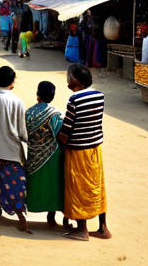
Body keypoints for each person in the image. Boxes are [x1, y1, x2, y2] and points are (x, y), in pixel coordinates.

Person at [59, 63, 111, 241]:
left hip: (78, 151)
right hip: (95, 149)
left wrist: (60, 141)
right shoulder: (99, 95)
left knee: (78, 187)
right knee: (97, 186)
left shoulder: (74, 100)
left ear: (74, 81)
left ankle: (82, 229)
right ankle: (103, 227)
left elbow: (66, 130)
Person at [0, 66, 30, 232]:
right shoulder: (16, 101)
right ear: (12, 81)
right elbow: (22, 131)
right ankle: (21, 216)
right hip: (10, 151)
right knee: (15, 185)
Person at [25, 81, 67, 227]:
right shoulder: (55, 113)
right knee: (54, 185)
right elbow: (59, 135)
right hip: (52, 155)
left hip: (33, 154)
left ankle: (27, 211)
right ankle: (51, 216)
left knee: (35, 184)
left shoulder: (29, 112)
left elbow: (24, 134)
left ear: (38, 94)